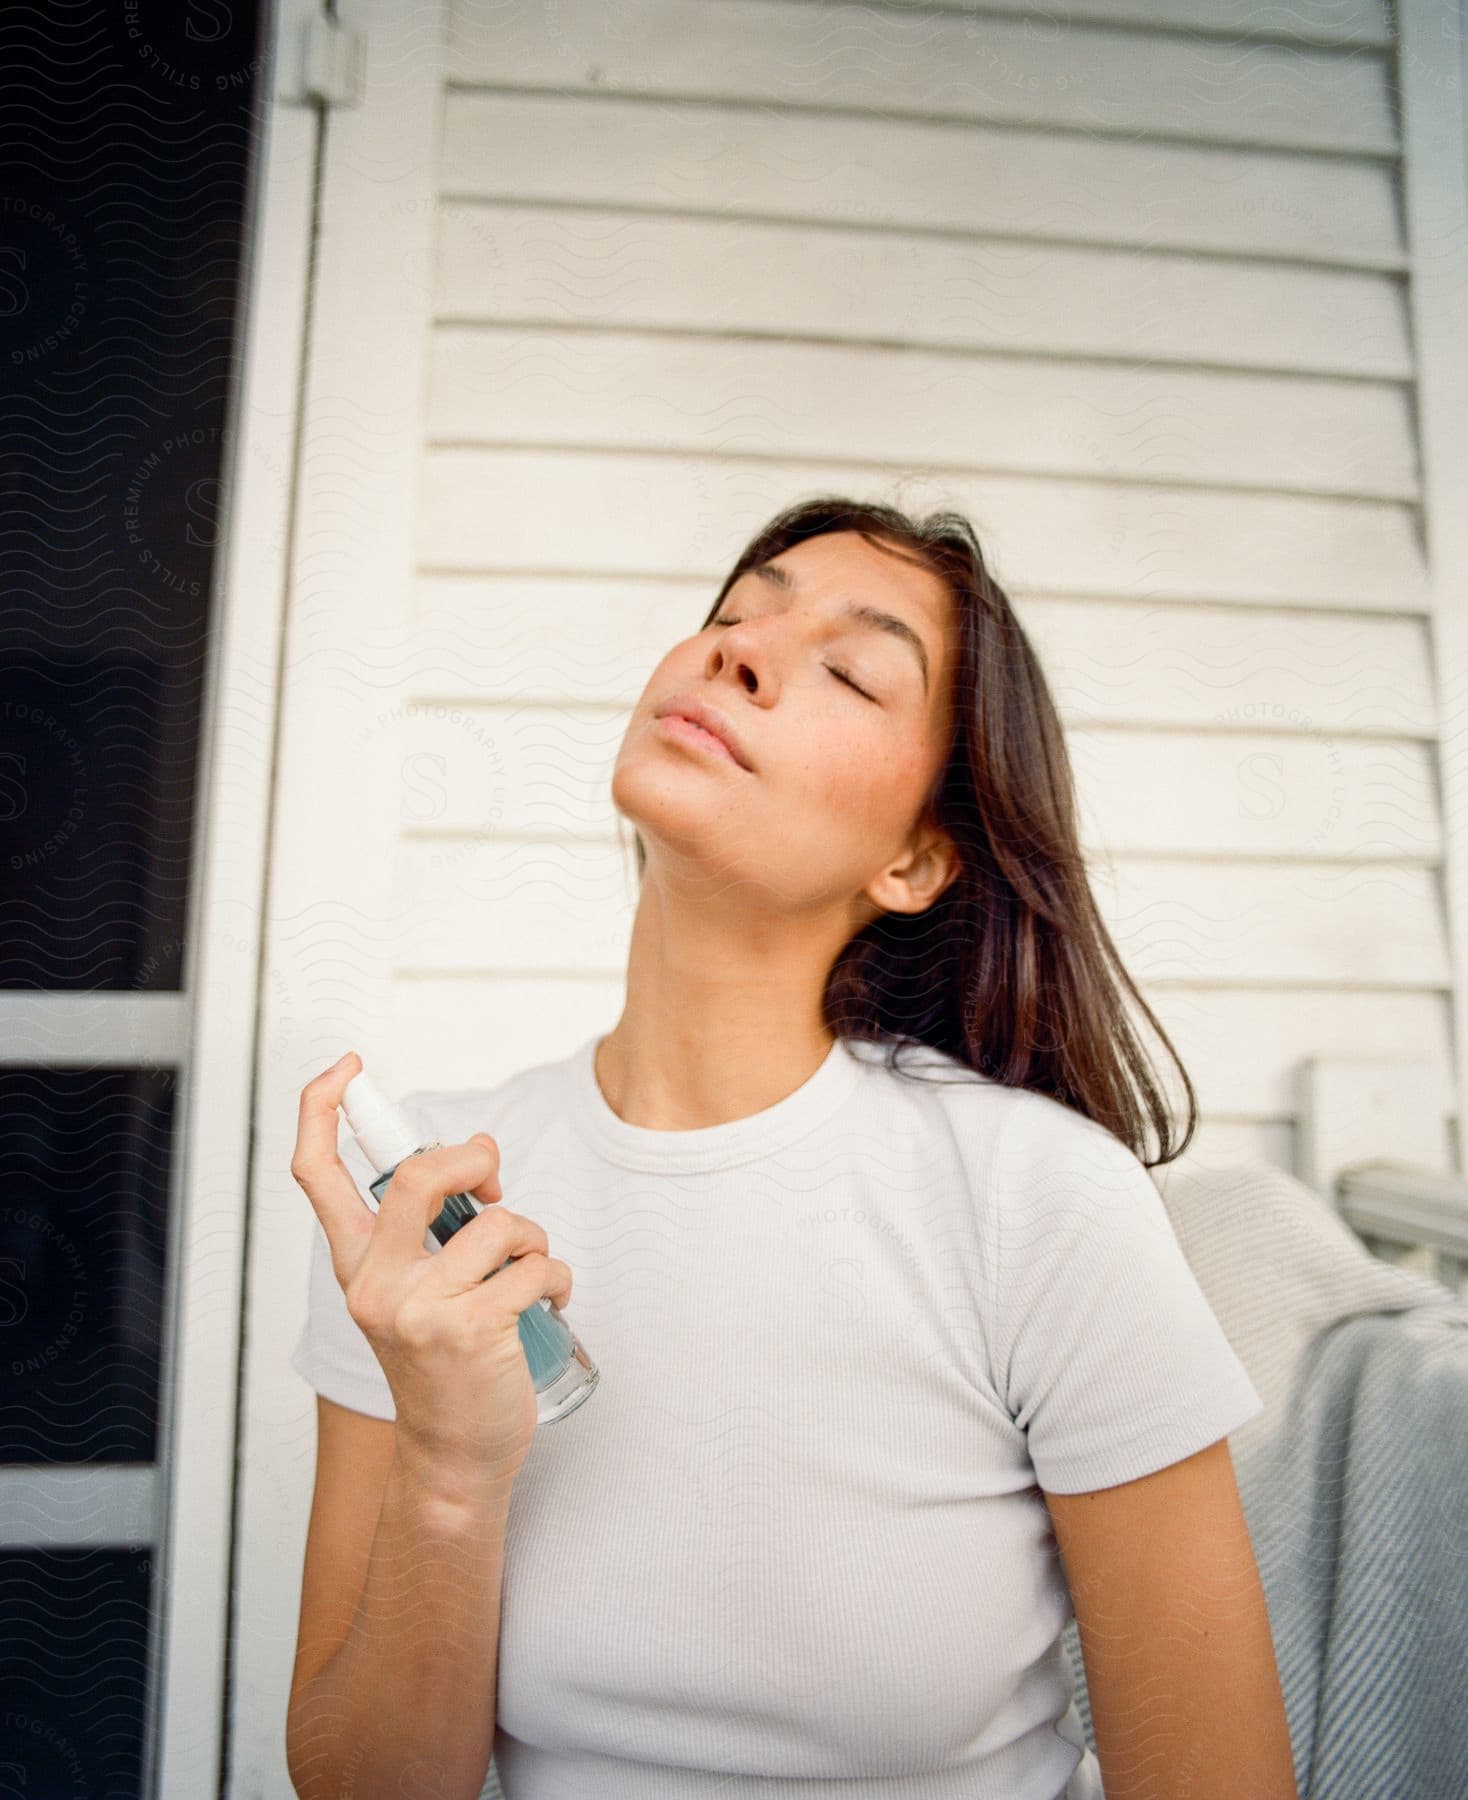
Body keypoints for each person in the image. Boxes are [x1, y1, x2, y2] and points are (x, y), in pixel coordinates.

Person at [285, 496, 1298, 1799]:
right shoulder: (426, 1203)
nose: (739, 651)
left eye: (851, 670)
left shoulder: (1039, 1199)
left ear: (920, 860)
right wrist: (443, 1473)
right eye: (735, 613)